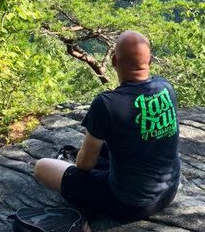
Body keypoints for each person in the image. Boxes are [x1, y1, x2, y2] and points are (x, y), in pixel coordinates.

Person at [34, 30, 180, 220]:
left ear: (113, 61)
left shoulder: (107, 103)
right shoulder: (165, 87)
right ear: (150, 61)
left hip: (130, 203)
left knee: (42, 167)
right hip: (168, 192)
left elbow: (84, 164)